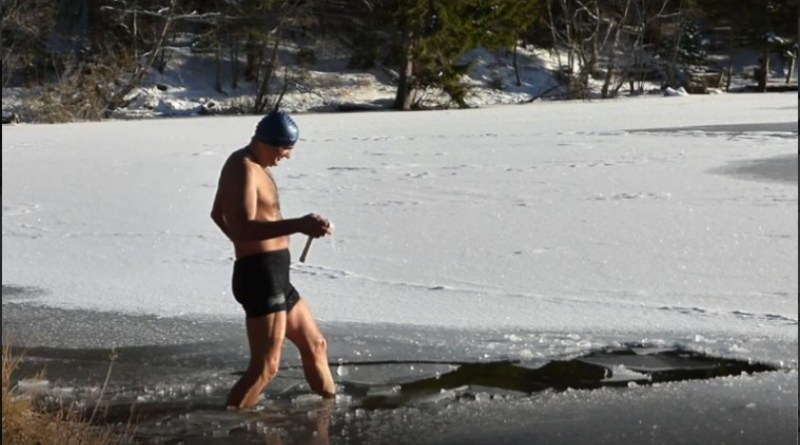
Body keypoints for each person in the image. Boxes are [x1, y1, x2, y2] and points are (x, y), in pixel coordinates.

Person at [211, 111, 336, 409]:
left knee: (316, 345)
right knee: (266, 366)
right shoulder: (241, 167)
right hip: (260, 276)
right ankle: (232, 428)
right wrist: (295, 226)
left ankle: (329, 412)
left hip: (276, 274)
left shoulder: (255, 165)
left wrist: (251, 243)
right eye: (284, 148)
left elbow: (218, 215)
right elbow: (241, 226)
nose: (288, 156)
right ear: (266, 142)